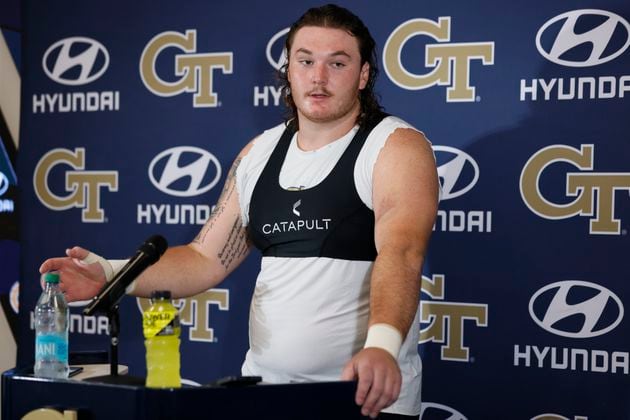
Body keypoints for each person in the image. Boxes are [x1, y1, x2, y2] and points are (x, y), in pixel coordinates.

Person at [39, 4, 439, 419]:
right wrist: (108, 273)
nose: (318, 77)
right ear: (288, 69)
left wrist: (382, 347)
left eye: (337, 63)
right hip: (263, 394)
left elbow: (402, 251)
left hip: (362, 398)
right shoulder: (258, 153)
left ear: (363, 75)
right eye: (305, 61)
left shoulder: (395, 146)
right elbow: (203, 259)